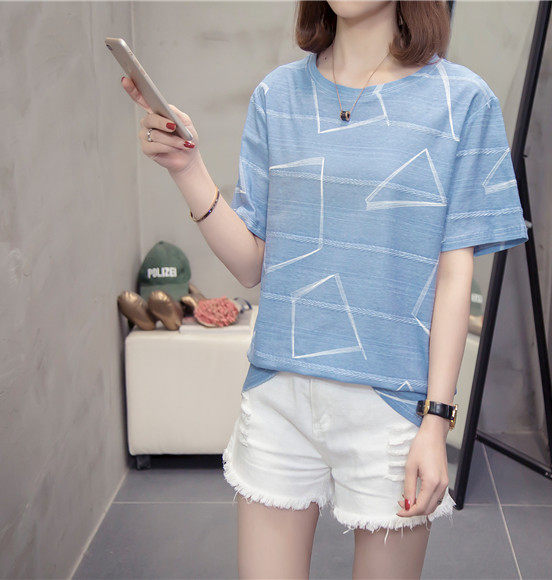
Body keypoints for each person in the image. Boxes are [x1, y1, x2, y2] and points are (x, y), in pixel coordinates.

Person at [121, 1, 528, 577]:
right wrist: (187, 169)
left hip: (392, 405)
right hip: (279, 397)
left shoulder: (462, 101)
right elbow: (252, 263)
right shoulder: (276, 95)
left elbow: (454, 277)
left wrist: (436, 421)